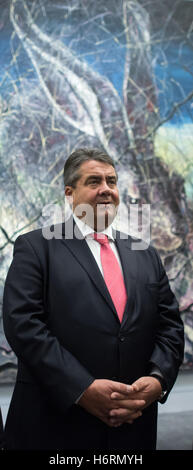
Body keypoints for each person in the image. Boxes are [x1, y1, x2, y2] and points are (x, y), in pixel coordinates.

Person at [3, 147, 184, 450]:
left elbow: (170, 327)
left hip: (132, 428)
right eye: (94, 181)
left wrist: (158, 380)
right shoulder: (36, 247)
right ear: (70, 193)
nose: (105, 190)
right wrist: (82, 388)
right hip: (55, 427)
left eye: (111, 181)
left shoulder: (145, 254)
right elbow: (24, 325)